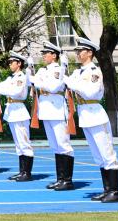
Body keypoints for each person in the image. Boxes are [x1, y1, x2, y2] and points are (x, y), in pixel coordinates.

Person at [65, 36, 118, 203]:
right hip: (85, 116)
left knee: (107, 154)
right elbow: (66, 83)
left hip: (95, 115)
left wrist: (72, 83)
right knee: (98, 156)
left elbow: (90, 93)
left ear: (89, 52)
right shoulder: (78, 72)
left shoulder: (94, 71)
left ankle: (115, 192)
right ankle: (107, 190)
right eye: (77, 51)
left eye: (80, 51)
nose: (78, 53)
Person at [32, 41, 75, 190]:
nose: (43, 56)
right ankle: (60, 179)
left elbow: (54, 87)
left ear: (54, 55)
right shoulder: (42, 70)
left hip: (57, 110)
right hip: (46, 110)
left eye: (46, 53)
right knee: (55, 146)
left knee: (64, 145)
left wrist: (40, 82)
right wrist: (36, 78)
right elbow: (31, 81)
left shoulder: (59, 69)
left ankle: (67, 180)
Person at [0, 51, 34, 181]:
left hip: (19, 112)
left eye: (12, 62)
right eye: (9, 62)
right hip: (12, 112)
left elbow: (15, 91)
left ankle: (27, 173)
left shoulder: (21, 77)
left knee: (24, 143)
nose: (10, 64)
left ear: (19, 63)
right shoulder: (12, 78)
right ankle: (22, 171)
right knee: (18, 144)